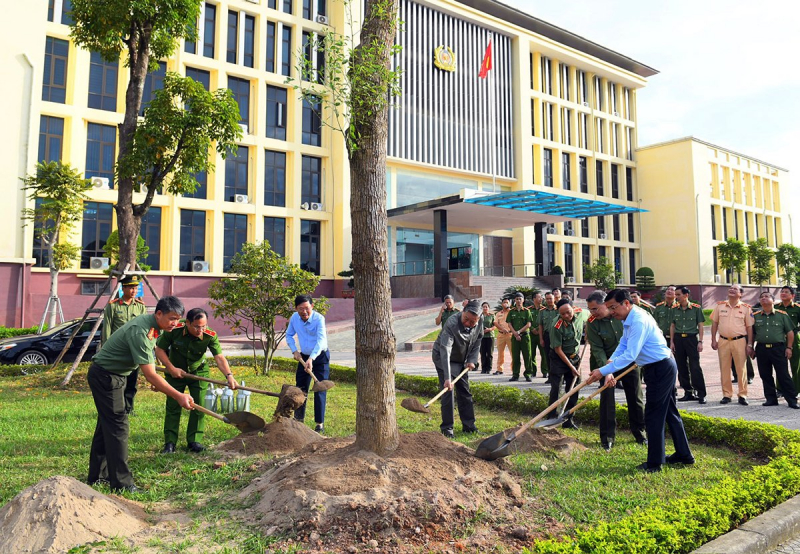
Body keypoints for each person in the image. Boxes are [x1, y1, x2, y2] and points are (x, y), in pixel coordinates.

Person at [87, 296, 194, 492]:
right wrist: (178, 395)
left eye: (178, 319)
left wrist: (156, 379)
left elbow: (149, 363)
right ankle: (122, 484)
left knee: (107, 425)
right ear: (159, 313)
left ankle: (97, 477)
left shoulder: (153, 326)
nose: (175, 323)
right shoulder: (141, 331)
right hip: (106, 376)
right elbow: (151, 375)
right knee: (118, 426)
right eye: (172, 318)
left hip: (118, 374)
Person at [586, 289, 694, 473]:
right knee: (669, 413)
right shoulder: (629, 319)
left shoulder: (638, 320)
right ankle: (684, 455)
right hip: (657, 367)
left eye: (614, 307)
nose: (612, 312)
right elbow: (623, 344)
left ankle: (654, 463)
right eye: (609, 308)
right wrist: (611, 361)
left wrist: (603, 371)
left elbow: (630, 354)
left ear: (626, 303)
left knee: (653, 416)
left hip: (661, 368)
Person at [155, 308, 239, 453]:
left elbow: (219, 357)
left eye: (203, 326)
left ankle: (194, 441)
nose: (200, 330)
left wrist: (229, 375)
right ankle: (170, 443)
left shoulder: (210, 335)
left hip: (198, 371)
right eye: (196, 326)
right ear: (187, 322)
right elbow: (159, 349)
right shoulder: (175, 329)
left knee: (199, 405)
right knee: (173, 406)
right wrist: (170, 367)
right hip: (175, 371)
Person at [586, 291, 646, 451]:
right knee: (607, 400)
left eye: (595, 309)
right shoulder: (592, 322)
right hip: (605, 363)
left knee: (635, 397)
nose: (593, 313)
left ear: (605, 305)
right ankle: (607, 438)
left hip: (629, 362)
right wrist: (607, 371)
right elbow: (597, 349)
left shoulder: (623, 316)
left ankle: (640, 433)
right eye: (590, 310)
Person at [432, 300, 482, 438]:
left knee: (464, 391)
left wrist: (472, 360)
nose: (468, 324)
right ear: (462, 312)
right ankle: (447, 428)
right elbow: (445, 350)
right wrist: (448, 377)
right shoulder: (451, 323)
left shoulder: (480, 320)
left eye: (473, 322)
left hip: (461, 359)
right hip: (443, 358)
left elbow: (478, 340)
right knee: (448, 390)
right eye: (466, 319)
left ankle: (469, 426)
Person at [101, 275, 147, 415]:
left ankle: (129, 408)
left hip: (134, 350)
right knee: (118, 380)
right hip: (117, 350)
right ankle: (117, 407)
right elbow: (107, 328)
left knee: (131, 381)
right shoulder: (113, 306)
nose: (134, 290)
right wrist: (106, 349)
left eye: (136, 288)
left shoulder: (140, 306)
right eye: (131, 287)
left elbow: (144, 327)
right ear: (123, 288)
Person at [286, 294, 330, 434]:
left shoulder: (319, 319)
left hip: (320, 356)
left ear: (312, 307)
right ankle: (299, 421)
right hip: (303, 357)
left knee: (320, 388)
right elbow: (289, 335)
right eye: (300, 309)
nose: (304, 312)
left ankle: (319, 424)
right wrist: (295, 351)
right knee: (301, 389)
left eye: (307, 308)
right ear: (296, 309)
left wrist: (312, 359)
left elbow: (321, 341)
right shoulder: (294, 318)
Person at [750, 292, 799, 409]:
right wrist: (750, 347)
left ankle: (792, 400)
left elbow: (790, 332)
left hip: (778, 348)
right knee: (765, 375)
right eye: (761, 297)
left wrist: (789, 348)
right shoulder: (755, 316)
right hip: (761, 349)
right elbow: (752, 333)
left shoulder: (782, 315)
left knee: (783, 375)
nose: (764, 298)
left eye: (766, 296)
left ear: (773, 300)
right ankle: (771, 399)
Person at [710, 284, 754, 406]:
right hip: (723, 341)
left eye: (735, 289)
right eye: (730, 288)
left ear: (741, 293)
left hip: (739, 341)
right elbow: (714, 324)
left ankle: (743, 395)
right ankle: (726, 394)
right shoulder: (720, 306)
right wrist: (713, 339)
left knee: (741, 369)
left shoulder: (746, 308)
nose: (732, 290)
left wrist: (749, 344)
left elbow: (749, 328)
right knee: (724, 368)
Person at [548, 298, 589, 430]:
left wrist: (588, 331)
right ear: (559, 313)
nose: (566, 316)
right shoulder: (556, 326)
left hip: (575, 357)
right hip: (558, 358)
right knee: (556, 388)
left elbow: (591, 317)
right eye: (563, 314)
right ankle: (551, 418)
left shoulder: (580, 313)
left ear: (573, 308)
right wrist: (571, 367)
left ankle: (568, 419)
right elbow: (558, 349)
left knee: (574, 388)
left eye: (568, 312)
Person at [669, 286, 707, 404]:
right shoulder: (674, 309)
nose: (676, 297)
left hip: (691, 339)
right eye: (675, 295)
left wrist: (700, 341)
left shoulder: (696, 308)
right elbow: (672, 326)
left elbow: (701, 326)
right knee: (681, 367)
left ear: (686, 295)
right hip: (679, 339)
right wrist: (672, 342)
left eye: (678, 294)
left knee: (695, 367)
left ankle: (701, 393)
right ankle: (688, 392)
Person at [506, 292, 535, 382]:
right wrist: (515, 333)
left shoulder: (527, 311)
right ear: (514, 300)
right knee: (515, 356)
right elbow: (509, 323)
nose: (518, 301)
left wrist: (519, 332)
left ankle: (528, 374)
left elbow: (529, 324)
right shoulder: (511, 312)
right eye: (517, 299)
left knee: (527, 356)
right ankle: (515, 374)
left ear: (523, 300)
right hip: (515, 337)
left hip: (525, 337)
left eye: (520, 299)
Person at [777, 286, 800, 392]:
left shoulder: (797, 308)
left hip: (794, 339)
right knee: (780, 365)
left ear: (793, 295)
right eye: (782, 292)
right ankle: (780, 389)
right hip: (779, 339)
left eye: (786, 292)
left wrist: (795, 330)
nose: (783, 293)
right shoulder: (776, 308)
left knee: (796, 365)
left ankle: (796, 390)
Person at [539, 291, 559, 383]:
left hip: (557, 336)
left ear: (554, 299)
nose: (549, 300)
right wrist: (541, 339)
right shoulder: (542, 311)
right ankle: (550, 377)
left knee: (558, 356)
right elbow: (540, 326)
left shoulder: (558, 310)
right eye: (547, 299)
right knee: (548, 356)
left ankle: (559, 377)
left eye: (550, 298)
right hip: (547, 336)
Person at [529, 292, 548, 380]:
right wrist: (532, 328)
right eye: (539, 297)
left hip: (541, 334)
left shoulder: (544, 310)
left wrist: (538, 329)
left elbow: (545, 322)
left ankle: (545, 371)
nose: (541, 299)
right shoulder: (529, 310)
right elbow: (527, 321)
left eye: (542, 297)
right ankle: (533, 371)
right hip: (531, 334)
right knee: (531, 354)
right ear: (534, 299)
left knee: (544, 354)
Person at [493, 298, 512, 375]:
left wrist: (509, 308)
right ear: (502, 304)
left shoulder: (512, 312)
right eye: (504, 302)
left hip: (510, 334)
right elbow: (495, 323)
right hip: (501, 334)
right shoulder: (498, 313)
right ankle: (499, 369)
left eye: (507, 302)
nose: (505, 304)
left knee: (512, 352)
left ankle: (514, 369)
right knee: (500, 353)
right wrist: (502, 329)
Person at [479, 302, 496, 374]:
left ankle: (489, 368)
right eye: (483, 307)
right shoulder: (479, 316)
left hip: (490, 336)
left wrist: (489, 329)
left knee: (489, 353)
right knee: (482, 353)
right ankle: (483, 368)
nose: (485, 308)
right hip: (481, 336)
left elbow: (495, 326)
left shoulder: (492, 316)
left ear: (489, 308)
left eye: (486, 307)